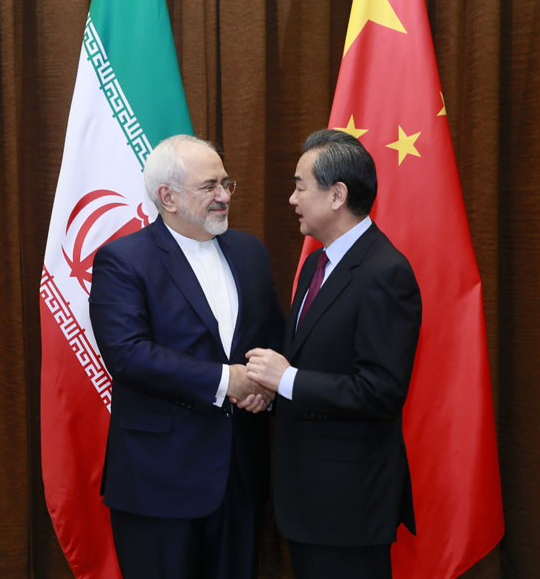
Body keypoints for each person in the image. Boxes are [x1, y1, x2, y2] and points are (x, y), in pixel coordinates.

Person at [89, 135, 283, 579]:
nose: (224, 196)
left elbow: (275, 335)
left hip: (241, 477)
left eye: (227, 183)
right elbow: (128, 354)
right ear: (168, 197)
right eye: (210, 186)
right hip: (160, 481)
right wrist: (227, 381)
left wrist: (265, 389)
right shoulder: (124, 260)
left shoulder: (250, 252)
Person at [246, 129, 422, 579]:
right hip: (307, 500)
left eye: (300, 186)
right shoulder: (315, 264)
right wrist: (271, 389)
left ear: (337, 194)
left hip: (350, 506)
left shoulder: (386, 273)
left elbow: (380, 391)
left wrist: (286, 380)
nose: (292, 199)